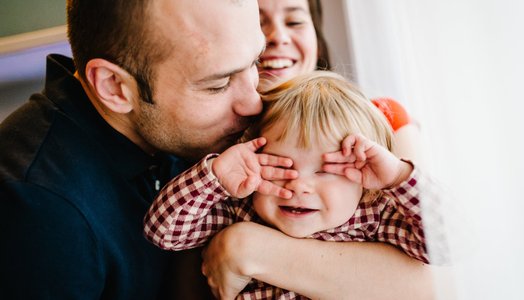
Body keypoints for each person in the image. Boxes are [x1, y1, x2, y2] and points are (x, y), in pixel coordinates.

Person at [0, 0, 266, 298]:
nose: (254, 102)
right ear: (114, 86)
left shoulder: (190, 132)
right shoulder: (38, 211)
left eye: (256, 62)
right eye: (217, 85)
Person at [144, 71, 441, 299]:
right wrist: (215, 178)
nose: (299, 186)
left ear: (365, 182)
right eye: (280, 166)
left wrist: (400, 177)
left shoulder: (373, 216)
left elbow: (445, 246)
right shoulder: (242, 208)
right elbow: (163, 232)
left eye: (327, 170)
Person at [256, 0, 425, 165]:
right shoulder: (232, 150)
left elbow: (419, 193)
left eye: (294, 22)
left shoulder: (384, 118)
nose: (277, 36)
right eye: (256, 23)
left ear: (318, 42)